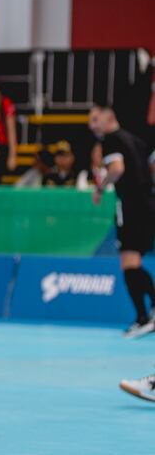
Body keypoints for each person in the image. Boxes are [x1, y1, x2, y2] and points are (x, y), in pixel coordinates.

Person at [88, 104, 155, 338]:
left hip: (131, 206)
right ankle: (146, 316)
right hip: (147, 204)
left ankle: (144, 317)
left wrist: (100, 187)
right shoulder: (135, 140)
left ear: (110, 118)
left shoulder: (111, 139)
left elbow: (116, 169)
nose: (92, 125)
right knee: (132, 262)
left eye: (96, 119)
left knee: (128, 264)